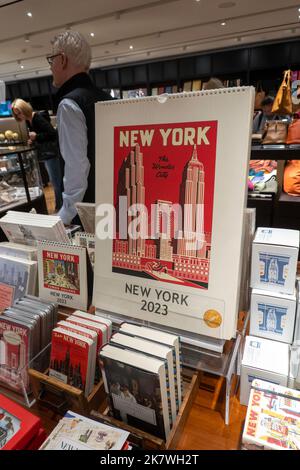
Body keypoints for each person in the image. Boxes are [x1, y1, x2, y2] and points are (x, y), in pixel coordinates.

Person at [47, 31, 112, 225]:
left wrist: (64, 216)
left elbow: (77, 167)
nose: (51, 67)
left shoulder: (69, 104)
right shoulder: (106, 98)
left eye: (52, 60)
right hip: (110, 202)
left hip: (86, 212)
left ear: (63, 59)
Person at [11, 99, 63, 211]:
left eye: (19, 112)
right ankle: (60, 206)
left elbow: (52, 134)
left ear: (24, 109)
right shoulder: (29, 120)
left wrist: (37, 137)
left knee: (56, 182)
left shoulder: (37, 118)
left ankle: (60, 207)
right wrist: (33, 140)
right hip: (47, 154)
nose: (19, 116)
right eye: (16, 114)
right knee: (55, 181)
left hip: (51, 154)